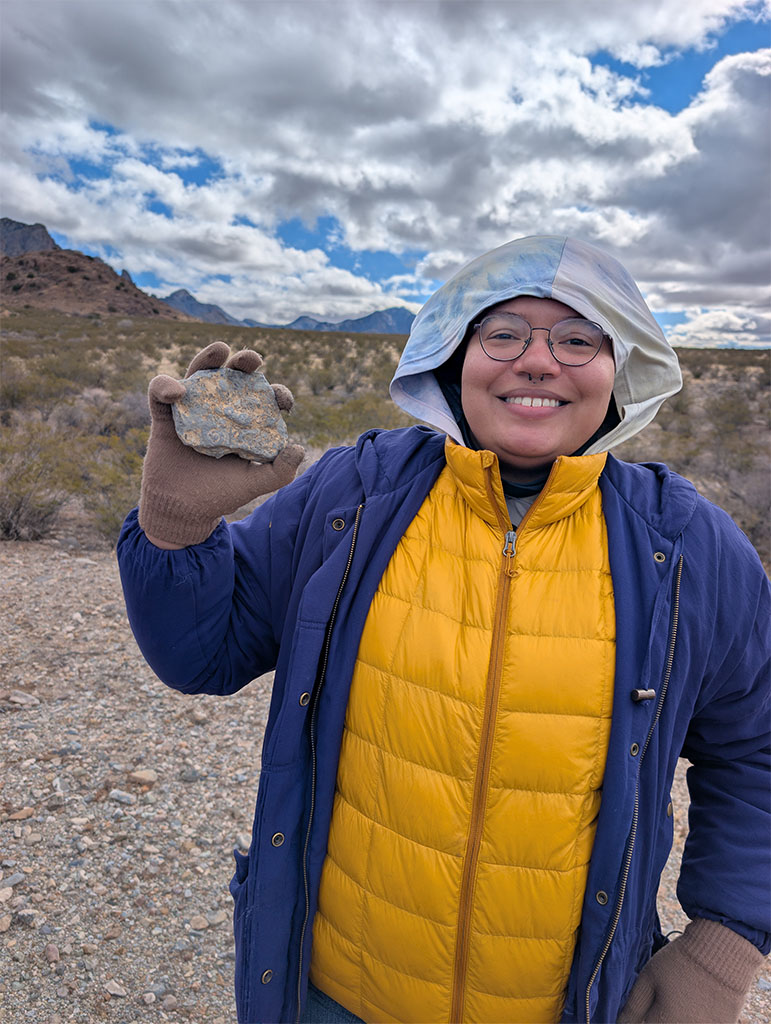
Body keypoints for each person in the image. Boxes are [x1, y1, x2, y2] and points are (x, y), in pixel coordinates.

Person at [117, 235, 770, 1024]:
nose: (537, 361)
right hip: (337, 995)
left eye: (576, 339)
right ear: (454, 358)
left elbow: (753, 751)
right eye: (503, 334)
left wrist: (721, 946)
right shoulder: (357, 491)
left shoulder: (685, 543)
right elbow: (200, 656)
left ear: (618, 370)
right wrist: (176, 529)